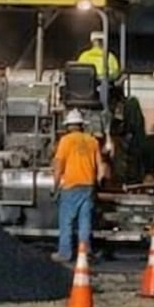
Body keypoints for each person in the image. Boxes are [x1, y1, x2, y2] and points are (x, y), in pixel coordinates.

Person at [52, 109, 103, 261]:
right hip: (88, 185)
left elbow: (58, 165)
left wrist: (55, 186)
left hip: (71, 185)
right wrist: (97, 182)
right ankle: (85, 251)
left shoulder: (66, 141)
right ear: (82, 125)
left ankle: (65, 253)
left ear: (68, 126)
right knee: (85, 221)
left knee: (66, 221)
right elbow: (101, 166)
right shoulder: (92, 141)